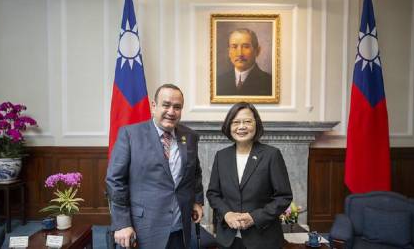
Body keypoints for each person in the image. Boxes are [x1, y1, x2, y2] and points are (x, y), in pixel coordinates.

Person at [106, 84, 204, 249]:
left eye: (177, 107)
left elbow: (195, 173)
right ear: (154, 106)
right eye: (166, 105)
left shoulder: (190, 136)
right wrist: (122, 223)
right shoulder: (130, 135)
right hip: (143, 229)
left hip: (179, 228)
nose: (171, 112)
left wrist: (197, 201)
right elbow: (115, 181)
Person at [206, 102, 292, 249]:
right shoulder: (221, 156)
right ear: (229, 126)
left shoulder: (271, 155)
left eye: (247, 121)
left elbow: (284, 197)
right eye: (236, 122)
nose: (241, 127)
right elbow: (213, 194)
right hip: (228, 239)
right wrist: (226, 214)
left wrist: (255, 217)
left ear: (256, 124)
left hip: (263, 239)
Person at [217, 28, 272, 96]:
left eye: (246, 47)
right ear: (229, 52)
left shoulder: (269, 82)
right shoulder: (219, 81)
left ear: (257, 51)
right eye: (234, 47)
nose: (240, 54)